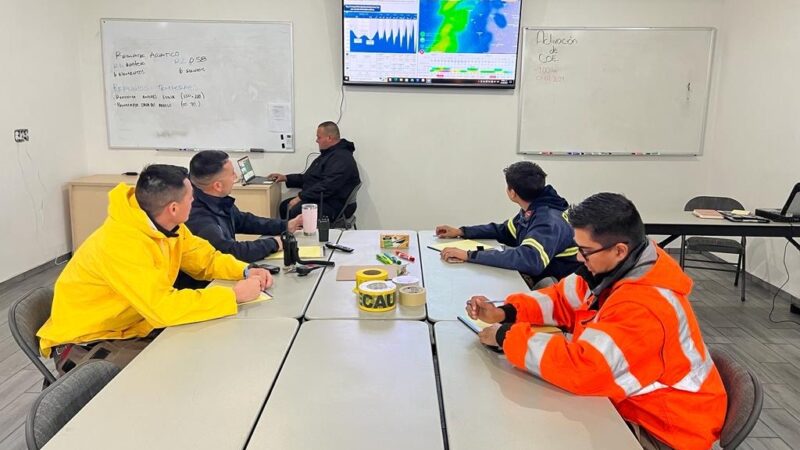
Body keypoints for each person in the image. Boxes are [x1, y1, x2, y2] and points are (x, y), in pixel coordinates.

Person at [466, 193, 726, 450]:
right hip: (632, 403)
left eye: (585, 251)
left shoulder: (644, 307)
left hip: (665, 430)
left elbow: (584, 370)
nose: (579, 258)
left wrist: (506, 336)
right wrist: (506, 313)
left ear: (619, 250)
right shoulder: (617, 269)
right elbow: (561, 300)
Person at [38, 164, 272, 374]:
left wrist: (245, 271)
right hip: (90, 341)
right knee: (175, 373)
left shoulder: (168, 226)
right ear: (173, 208)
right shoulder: (123, 243)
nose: (195, 201)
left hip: (133, 326)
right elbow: (163, 307)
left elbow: (204, 258)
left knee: (204, 348)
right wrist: (234, 295)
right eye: (191, 198)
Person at [436, 161, 579, 288]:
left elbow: (528, 259)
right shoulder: (536, 207)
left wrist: (469, 255)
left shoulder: (548, 220)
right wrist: (462, 232)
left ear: (512, 192)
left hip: (556, 288)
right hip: (540, 277)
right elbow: (504, 231)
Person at [185, 150, 302, 263]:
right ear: (218, 186)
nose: (235, 177)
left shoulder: (217, 200)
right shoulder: (199, 218)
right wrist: (275, 243)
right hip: (209, 282)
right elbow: (231, 252)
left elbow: (244, 221)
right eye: (232, 174)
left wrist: (285, 225)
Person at [268, 121, 360, 220]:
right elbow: (309, 178)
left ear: (329, 138)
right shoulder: (329, 154)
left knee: (295, 210)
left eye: (319, 137)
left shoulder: (342, 158)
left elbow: (328, 186)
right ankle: (290, 233)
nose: (316, 140)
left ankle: (297, 234)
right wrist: (286, 178)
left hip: (335, 204)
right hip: (324, 199)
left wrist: (301, 197)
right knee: (285, 206)